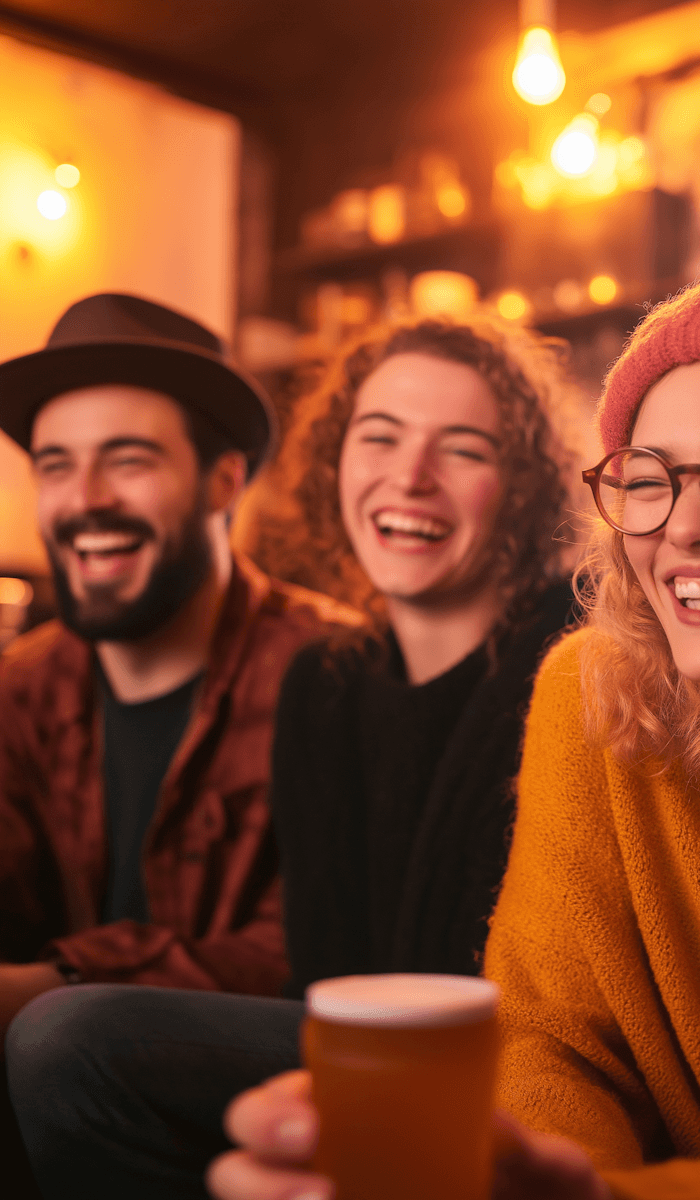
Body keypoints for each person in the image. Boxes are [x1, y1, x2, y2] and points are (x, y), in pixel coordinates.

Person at [204, 267, 700, 1200]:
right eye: (649, 481)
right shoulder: (597, 697)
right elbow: (546, 1035)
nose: (685, 528)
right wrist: (528, 1174)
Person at [7, 314, 579, 1199]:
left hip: (503, 1074)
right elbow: (327, 974)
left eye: (462, 448)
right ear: (337, 463)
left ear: (526, 484)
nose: (409, 476)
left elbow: (507, 998)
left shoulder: (568, 669)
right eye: (378, 437)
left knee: (63, 1039)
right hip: (343, 1048)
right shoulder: (333, 681)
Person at [0, 293, 358, 1191]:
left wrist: (50, 985)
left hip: (262, 1102)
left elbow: (310, 953)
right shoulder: (22, 684)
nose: (84, 501)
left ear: (223, 480)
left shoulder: (335, 672)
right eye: (55, 465)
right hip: (50, 1103)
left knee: (56, 1041)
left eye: (128, 461)